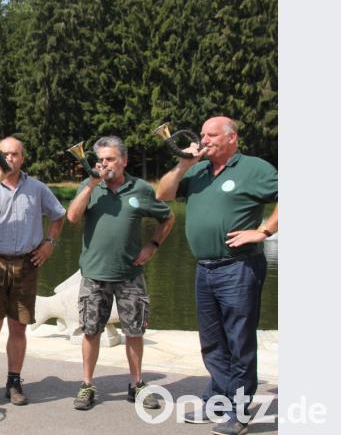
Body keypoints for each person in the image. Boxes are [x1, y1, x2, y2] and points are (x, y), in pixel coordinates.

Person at [156, 116, 278, 435]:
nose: (204, 140)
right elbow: (162, 195)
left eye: (211, 135)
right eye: (202, 135)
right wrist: (184, 164)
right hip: (205, 268)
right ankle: (219, 401)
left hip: (240, 267)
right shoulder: (197, 170)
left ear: (231, 138)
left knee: (238, 340)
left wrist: (263, 230)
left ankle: (239, 411)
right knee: (212, 341)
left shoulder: (254, 168)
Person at [65, 136, 176, 411]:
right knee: (91, 331)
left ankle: (136, 385)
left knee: (134, 332)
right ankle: (87, 385)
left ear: (124, 161)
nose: (104, 164)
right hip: (94, 275)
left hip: (130, 274)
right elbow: (72, 217)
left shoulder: (139, 189)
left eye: (110, 159)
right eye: (100, 159)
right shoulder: (90, 186)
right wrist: (91, 184)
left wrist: (153, 245)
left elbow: (168, 217)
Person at [0, 136, 65, 407]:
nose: (10, 159)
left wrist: (49, 244)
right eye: (5, 154)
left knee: (19, 327)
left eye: (15, 155)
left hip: (26, 264)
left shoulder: (37, 188)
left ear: (23, 158)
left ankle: (14, 381)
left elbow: (58, 215)